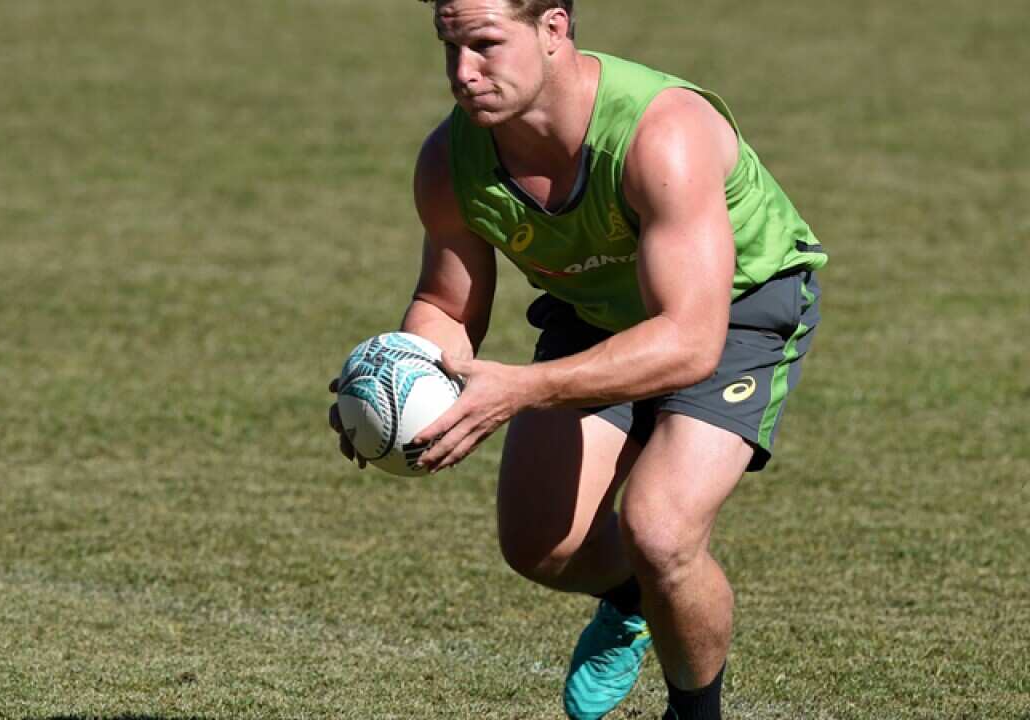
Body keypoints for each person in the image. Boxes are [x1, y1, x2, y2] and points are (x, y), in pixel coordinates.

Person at [328, 1, 826, 717]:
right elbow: (446, 304)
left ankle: (693, 710)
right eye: (449, 48)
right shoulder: (451, 159)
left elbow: (689, 340)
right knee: (539, 546)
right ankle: (630, 601)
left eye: (485, 45)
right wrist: (389, 387)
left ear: (554, 29)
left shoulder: (662, 133)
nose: (462, 74)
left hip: (737, 309)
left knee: (660, 533)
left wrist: (522, 390)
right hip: (593, 305)